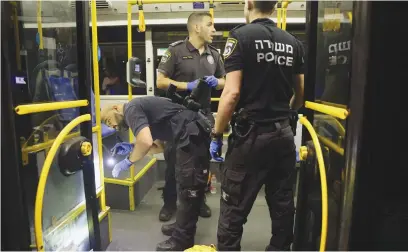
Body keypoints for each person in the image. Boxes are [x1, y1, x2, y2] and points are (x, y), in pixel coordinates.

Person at [209, 0, 305, 250]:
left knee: (233, 209)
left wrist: (217, 134)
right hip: (283, 136)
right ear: (274, 7)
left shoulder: (240, 37)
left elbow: (231, 94)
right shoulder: (293, 43)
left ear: (249, 4)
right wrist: (283, 116)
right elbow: (301, 94)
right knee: (282, 206)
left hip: (250, 138)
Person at [101, 96, 212, 251]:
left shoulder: (131, 109)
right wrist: (132, 147)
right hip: (188, 133)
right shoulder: (138, 111)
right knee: (184, 186)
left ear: (115, 108)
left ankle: (183, 240)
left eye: (108, 121)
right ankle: (181, 227)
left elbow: (145, 142)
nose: (112, 126)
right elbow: (156, 146)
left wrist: (128, 161)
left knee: (189, 187)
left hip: (191, 134)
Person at [156, 11, 226, 225]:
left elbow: (225, 81)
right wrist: (187, 86)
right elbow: (160, 81)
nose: (214, 29)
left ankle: (200, 200)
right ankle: (169, 203)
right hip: (177, 115)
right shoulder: (175, 51)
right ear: (197, 27)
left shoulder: (215, 54)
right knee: (173, 163)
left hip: (203, 115)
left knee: (202, 161)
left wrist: (217, 82)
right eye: (210, 25)